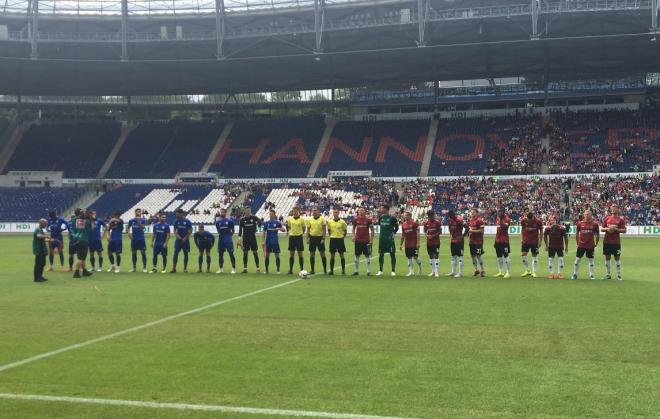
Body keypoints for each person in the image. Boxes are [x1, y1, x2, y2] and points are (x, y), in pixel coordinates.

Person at [572, 209, 600, 280]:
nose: (587, 215)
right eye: (585, 214)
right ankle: (575, 274)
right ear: (583, 215)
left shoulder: (595, 224)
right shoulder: (580, 223)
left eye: (588, 214)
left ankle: (591, 275)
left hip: (590, 245)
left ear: (591, 215)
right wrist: (577, 243)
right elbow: (577, 234)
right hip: (581, 245)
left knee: (591, 261)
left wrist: (596, 243)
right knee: (577, 260)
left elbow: (597, 234)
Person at [601, 204, 626, 281]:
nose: (613, 209)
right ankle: (608, 274)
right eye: (612, 208)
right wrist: (608, 229)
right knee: (607, 258)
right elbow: (602, 229)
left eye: (615, 207)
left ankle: (618, 275)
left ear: (618, 209)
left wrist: (616, 229)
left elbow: (624, 230)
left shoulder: (620, 220)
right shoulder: (607, 218)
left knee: (617, 258)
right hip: (607, 241)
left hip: (616, 242)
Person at [69, 208, 93, 279]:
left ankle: (84, 271)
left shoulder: (73, 220)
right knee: (80, 258)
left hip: (76, 239)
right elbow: (91, 229)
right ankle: (76, 272)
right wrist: (90, 219)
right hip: (83, 239)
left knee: (82, 257)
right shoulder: (86, 221)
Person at [376, 204, 398, 277]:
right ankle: (380, 270)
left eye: (382, 208)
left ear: (386, 209)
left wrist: (393, 233)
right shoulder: (381, 217)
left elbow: (397, 227)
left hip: (389, 239)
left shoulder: (392, 218)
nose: (380, 210)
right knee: (381, 254)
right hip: (382, 239)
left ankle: (393, 270)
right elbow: (380, 225)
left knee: (392, 254)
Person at [352, 207, 375, 276]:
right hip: (358, 240)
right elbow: (353, 229)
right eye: (360, 210)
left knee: (367, 256)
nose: (361, 211)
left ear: (365, 211)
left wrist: (371, 240)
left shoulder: (368, 220)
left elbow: (372, 230)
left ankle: (368, 271)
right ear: (358, 212)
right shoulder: (356, 219)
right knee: (357, 256)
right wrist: (353, 236)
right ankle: (356, 271)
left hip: (366, 241)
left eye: (362, 210)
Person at [238, 207, 261, 273]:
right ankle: (245, 268)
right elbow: (240, 230)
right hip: (245, 238)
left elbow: (260, 222)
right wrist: (239, 239)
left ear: (250, 211)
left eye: (249, 210)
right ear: (244, 211)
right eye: (247, 210)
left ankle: (257, 268)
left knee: (255, 252)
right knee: (245, 253)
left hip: (253, 238)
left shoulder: (254, 218)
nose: (248, 211)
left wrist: (258, 226)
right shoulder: (242, 219)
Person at [520, 211, 543, 278]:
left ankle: (534, 272)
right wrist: (521, 238)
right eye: (528, 219)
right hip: (526, 241)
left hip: (534, 241)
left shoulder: (538, 221)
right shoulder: (524, 220)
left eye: (530, 219)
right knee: (523, 255)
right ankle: (527, 270)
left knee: (534, 255)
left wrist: (540, 241)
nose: (529, 220)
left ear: (533, 217)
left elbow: (541, 231)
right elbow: (522, 229)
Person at [446, 210, 468, 278]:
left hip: (459, 240)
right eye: (449, 216)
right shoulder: (450, 219)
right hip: (453, 240)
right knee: (453, 256)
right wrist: (450, 234)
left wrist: (463, 235)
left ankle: (460, 273)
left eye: (450, 216)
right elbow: (449, 227)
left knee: (460, 256)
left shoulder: (459, 219)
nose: (450, 217)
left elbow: (467, 227)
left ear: (453, 214)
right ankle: (453, 271)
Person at [262, 209, 285, 274]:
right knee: (267, 256)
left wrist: (279, 228)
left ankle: (278, 270)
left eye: (272, 214)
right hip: (268, 242)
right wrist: (263, 241)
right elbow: (264, 232)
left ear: (274, 215)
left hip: (275, 242)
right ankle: (266, 270)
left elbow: (284, 229)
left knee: (277, 256)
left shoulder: (277, 222)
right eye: (270, 214)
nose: (271, 215)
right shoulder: (266, 223)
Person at [306, 207, 327, 275]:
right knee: (312, 254)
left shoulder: (322, 219)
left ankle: (325, 270)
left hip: (319, 238)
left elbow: (324, 229)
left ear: (318, 211)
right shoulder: (310, 219)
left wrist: (323, 238)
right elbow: (308, 229)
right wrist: (307, 238)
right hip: (312, 238)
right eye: (313, 211)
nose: (314, 212)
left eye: (315, 210)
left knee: (322, 254)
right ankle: (312, 270)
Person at [215, 208, 237, 274]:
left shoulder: (230, 221)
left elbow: (233, 230)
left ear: (225, 213)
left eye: (223, 212)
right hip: (221, 239)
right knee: (220, 254)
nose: (222, 213)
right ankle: (221, 268)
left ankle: (233, 269)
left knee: (231, 254)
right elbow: (218, 230)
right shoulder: (217, 222)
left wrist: (229, 236)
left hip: (228, 239)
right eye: (221, 212)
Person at [327, 208, 347, 276]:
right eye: (334, 212)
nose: (335, 213)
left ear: (338, 213)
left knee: (341, 255)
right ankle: (331, 271)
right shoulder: (330, 222)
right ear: (333, 213)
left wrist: (342, 237)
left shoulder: (342, 222)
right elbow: (329, 230)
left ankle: (343, 270)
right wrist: (332, 235)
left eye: (336, 212)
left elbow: (345, 231)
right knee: (332, 255)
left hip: (340, 240)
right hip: (332, 239)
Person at [400, 211, 421, 277]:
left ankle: (420, 267)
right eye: (405, 215)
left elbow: (418, 234)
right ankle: (411, 271)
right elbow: (403, 235)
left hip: (414, 243)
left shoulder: (414, 224)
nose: (405, 216)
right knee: (409, 257)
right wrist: (401, 244)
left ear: (410, 216)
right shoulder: (403, 224)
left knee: (415, 257)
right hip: (407, 243)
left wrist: (418, 243)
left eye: (406, 215)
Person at [171, 209, 193, 273]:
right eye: (176, 214)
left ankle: (185, 269)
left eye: (177, 214)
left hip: (185, 241)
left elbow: (190, 231)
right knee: (175, 253)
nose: (176, 215)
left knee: (186, 254)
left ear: (181, 214)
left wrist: (185, 238)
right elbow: (174, 231)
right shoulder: (176, 221)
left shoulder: (187, 221)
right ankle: (174, 268)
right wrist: (179, 238)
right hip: (178, 241)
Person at [286, 207, 306, 275]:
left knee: (300, 254)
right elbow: (289, 227)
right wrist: (292, 232)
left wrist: (300, 233)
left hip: (299, 237)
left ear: (298, 211)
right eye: (293, 211)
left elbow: (304, 228)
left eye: (296, 211)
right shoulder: (290, 219)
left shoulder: (302, 219)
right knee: (291, 254)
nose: (295, 212)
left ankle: (302, 269)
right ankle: (290, 270)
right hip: (292, 237)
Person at [128, 208, 148, 273]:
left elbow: (142, 227)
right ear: (135, 212)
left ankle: (144, 267)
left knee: (143, 253)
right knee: (134, 253)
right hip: (134, 240)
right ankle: (134, 268)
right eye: (137, 211)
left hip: (141, 239)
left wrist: (138, 221)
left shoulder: (143, 220)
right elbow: (128, 228)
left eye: (140, 211)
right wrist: (129, 234)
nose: (139, 212)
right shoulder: (131, 220)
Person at [468, 208, 486, 277]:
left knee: (479, 256)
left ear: (477, 213)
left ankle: (483, 270)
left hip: (478, 241)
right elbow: (470, 230)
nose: (472, 213)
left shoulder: (480, 220)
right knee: (473, 256)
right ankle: (476, 270)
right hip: (472, 241)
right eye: (471, 212)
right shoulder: (470, 220)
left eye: (473, 212)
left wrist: (472, 231)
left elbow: (482, 231)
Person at [493, 209, 511, 278]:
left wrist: (500, 219)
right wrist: (495, 240)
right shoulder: (498, 218)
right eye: (499, 212)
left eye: (500, 212)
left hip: (504, 241)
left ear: (503, 213)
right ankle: (500, 272)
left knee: (506, 256)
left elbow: (505, 226)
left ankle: (508, 272)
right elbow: (498, 229)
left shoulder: (507, 219)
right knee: (499, 256)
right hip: (498, 240)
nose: (499, 213)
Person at [424, 210, 442, 277]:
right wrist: (427, 235)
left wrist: (433, 236)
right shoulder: (426, 223)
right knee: (431, 256)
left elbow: (440, 232)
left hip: (436, 242)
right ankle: (433, 271)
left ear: (433, 215)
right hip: (429, 242)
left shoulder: (437, 222)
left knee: (436, 255)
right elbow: (425, 230)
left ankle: (437, 272)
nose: (430, 217)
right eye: (429, 216)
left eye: (431, 215)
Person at [33, 218, 50, 283]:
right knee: (38, 264)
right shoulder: (38, 230)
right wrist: (46, 236)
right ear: (41, 223)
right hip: (39, 250)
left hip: (42, 250)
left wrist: (49, 240)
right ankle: (37, 278)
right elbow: (39, 236)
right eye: (45, 224)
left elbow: (42, 238)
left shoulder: (41, 230)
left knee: (42, 263)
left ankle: (40, 276)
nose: (46, 225)